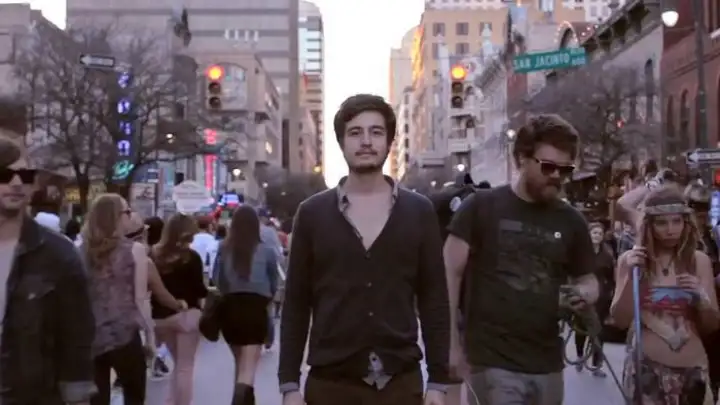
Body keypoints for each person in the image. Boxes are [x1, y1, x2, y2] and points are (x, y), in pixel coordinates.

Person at [278, 94, 449, 405]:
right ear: (342, 142)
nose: (366, 141)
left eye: (376, 132)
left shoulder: (419, 211)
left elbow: (434, 299)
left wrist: (438, 380)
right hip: (330, 384)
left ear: (389, 141)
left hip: (400, 384)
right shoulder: (312, 213)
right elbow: (296, 303)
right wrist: (289, 384)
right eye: (355, 132)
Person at [443, 114, 599, 405]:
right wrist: (450, 344)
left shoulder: (572, 221)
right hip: (493, 361)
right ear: (522, 159)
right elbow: (448, 275)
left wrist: (584, 293)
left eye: (565, 170)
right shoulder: (480, 207)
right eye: (548, 167)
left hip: (548, 363)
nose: (557, 176)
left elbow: (588, 278)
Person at [0, 136, 95, 404]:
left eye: (25, 176)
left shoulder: (57, 255)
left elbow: (77, 338)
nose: (16, 183)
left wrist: (77, 396)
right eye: (4, 175)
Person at [611, 186, 719, 404]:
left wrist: (701, 297)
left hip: (693, 372)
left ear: (686, 223)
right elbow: (620, 320)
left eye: (677, 221)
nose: (671, 230)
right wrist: (633, 276)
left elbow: (711, 326)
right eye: (661, 223)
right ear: (649, 225)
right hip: (647, 371)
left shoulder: (699, 261)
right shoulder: (631, 261)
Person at [81, 193, 156, 405]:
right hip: (125, 334)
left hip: (91, 337)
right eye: (127, 212)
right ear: (115, 216)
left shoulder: (80, 252)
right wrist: (150, 335)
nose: (130, 216)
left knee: (97, 399)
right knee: (134, 395)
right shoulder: (134, 250)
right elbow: (140, 299)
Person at [212, 205, 278, 405]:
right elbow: (273, 283)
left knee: (240, 366)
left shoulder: (223, 249)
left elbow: (217, 280)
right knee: (247, 371)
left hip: (230, 310)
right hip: (255, 311)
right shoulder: (266, 251)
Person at [150, 214, 208, 405]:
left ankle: (171, 401)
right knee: (185, 367)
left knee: (177, 364)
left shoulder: (154, 256)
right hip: (187, 316)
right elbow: (199, 290)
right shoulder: (191, 258)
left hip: (160, 318)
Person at [573, 222, 614, 377]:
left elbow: (611, 276)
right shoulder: (580, 254)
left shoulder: (607, 255)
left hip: (601, 298)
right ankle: (579, 356)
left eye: (600, 233)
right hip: (582, 295)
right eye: (594, 233)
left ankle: (596, 365)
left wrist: (610, 293)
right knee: (581, 329)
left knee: (598, 332)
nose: (597, 236)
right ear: (589, 234)